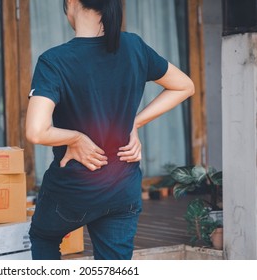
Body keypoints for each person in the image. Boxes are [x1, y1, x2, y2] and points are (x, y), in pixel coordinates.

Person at [25, 0, 194, 260]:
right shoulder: (134, 46)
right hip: (122, 188)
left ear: (71, 2)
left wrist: (75, 137)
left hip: (74, 189)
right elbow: (184, 86)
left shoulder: (54, 61)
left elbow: (36, 131)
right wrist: (134, 123)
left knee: (43, 236)